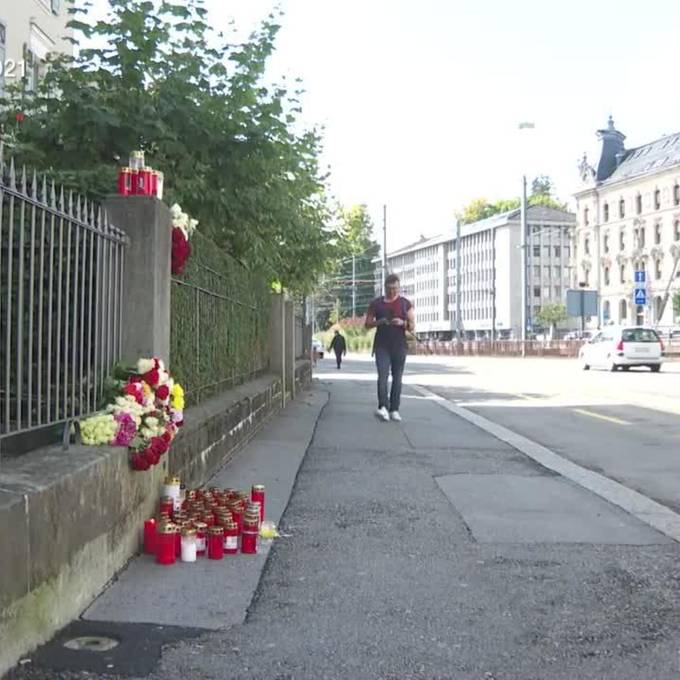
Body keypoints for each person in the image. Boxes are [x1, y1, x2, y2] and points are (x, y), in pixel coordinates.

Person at [365, 274, 415, 422]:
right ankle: (383, 407)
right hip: (381, 345)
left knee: (397, 378)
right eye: (390, 288)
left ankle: (394, 409)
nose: (393, 291)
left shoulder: (406, 304)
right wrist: (379, 322)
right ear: (385, 287)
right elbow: (367, 324)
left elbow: (412, 326)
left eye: (395, 288)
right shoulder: (376, 304)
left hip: (399, 346)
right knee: (382, 376)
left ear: (399, 288)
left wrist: (402, 323)